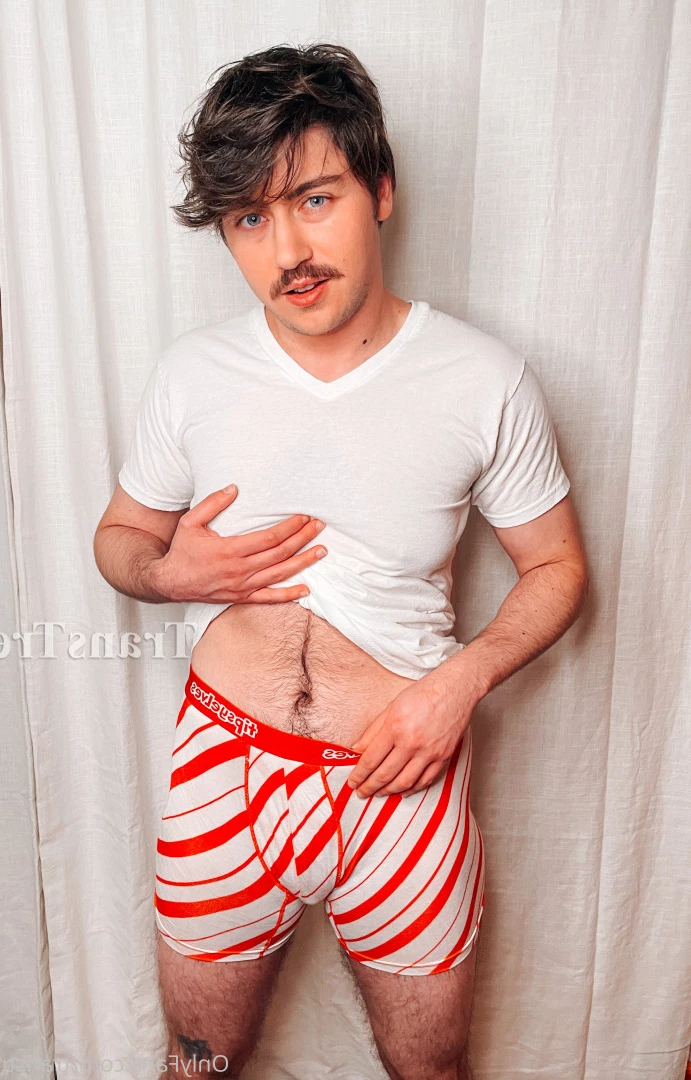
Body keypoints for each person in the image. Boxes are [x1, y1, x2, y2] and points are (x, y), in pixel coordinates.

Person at [93, 42, 589, 1080]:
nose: (288, 250)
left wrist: (457, 686)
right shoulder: (192, 375)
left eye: (315, 199)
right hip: (223, 768)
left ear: (381, 191)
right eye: (249, 219)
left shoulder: (482, 378)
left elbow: (557, 568)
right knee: (197, 1064)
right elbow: (120, 539)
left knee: (429, 1072)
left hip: (402, 774)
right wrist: (168, 575)